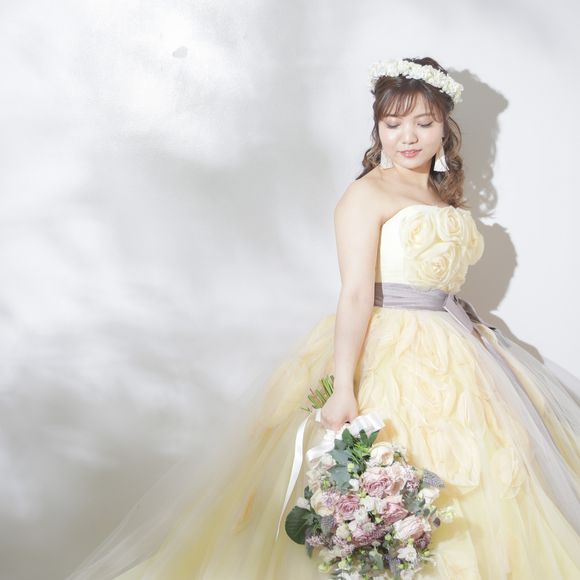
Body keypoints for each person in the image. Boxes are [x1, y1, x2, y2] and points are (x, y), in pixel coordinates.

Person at [66, 56, 580, 579]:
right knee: (380, 476)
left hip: (455, 349)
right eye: (393, 124)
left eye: (423, 123)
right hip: (387, 344)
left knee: (488, 477)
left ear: (445, 127)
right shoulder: (367, 193)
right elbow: (355, 293)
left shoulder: (440, 193)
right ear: (377, 128)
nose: (408, 137)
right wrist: (344, 387)